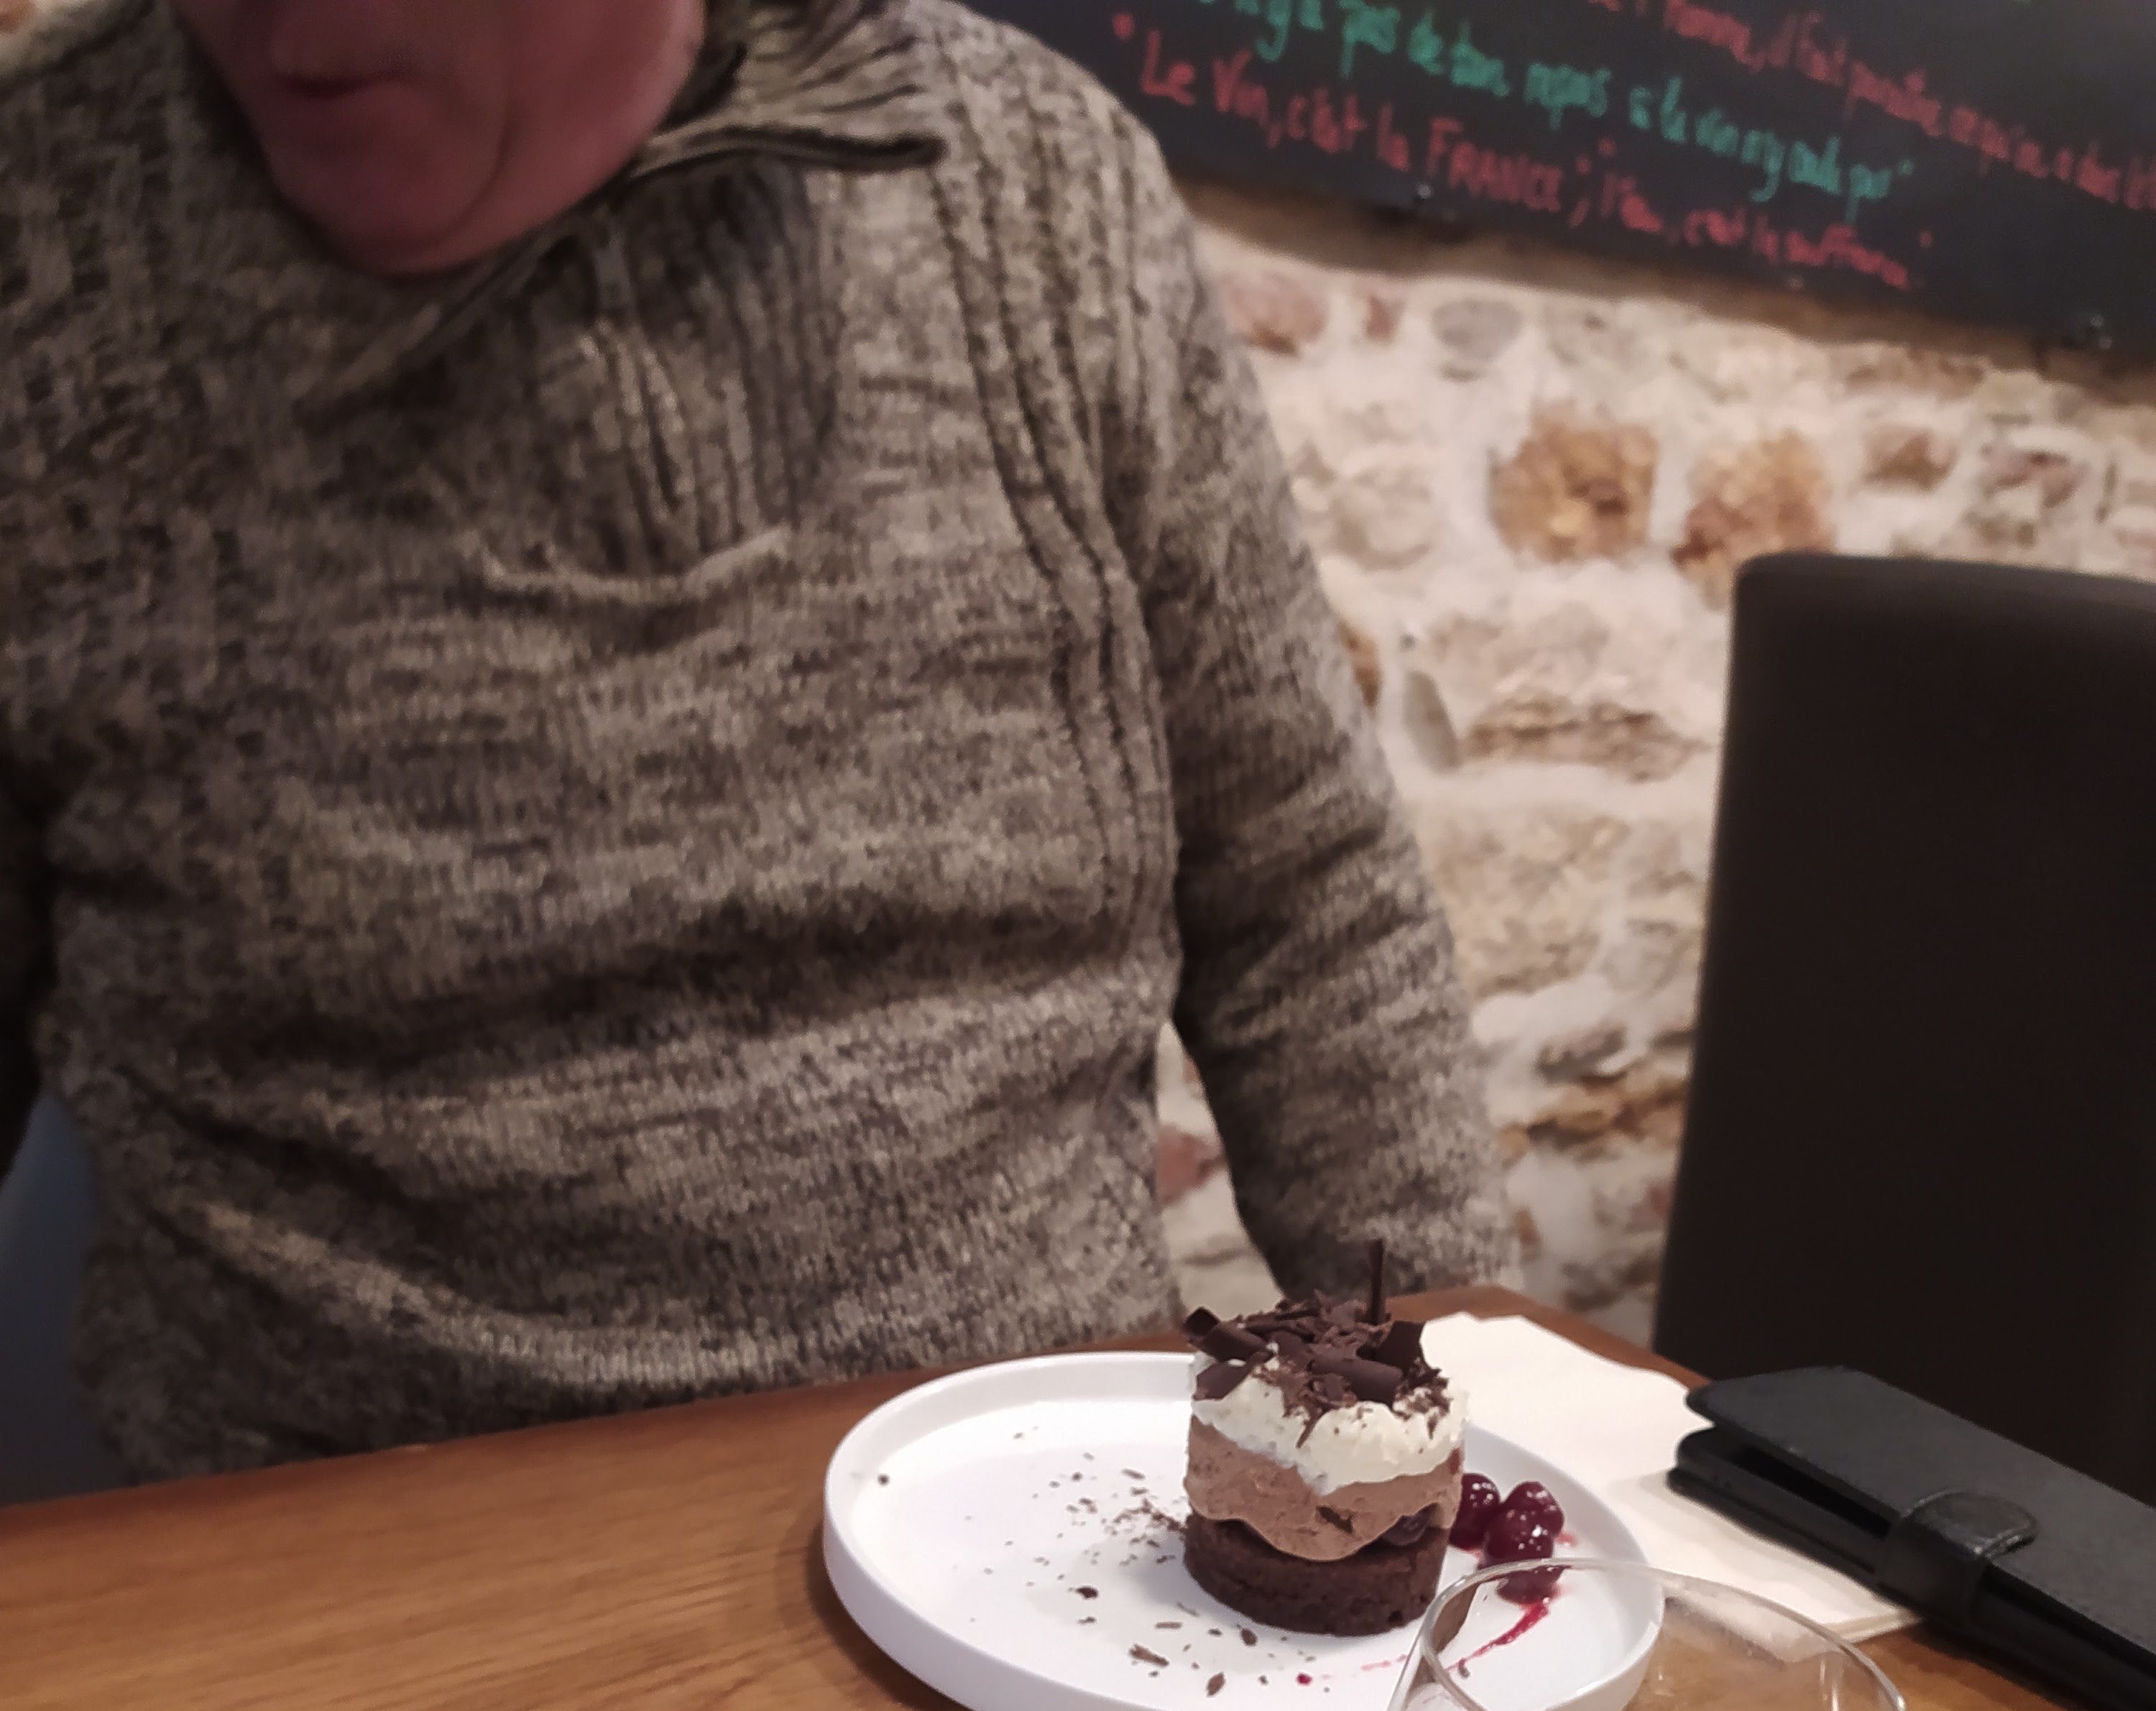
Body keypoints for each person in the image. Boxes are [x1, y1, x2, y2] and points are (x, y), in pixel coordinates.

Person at [0, 0, 1514, 1482]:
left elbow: (1307, 898)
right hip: (324, 1530)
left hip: (1035, 1499)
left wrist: (1453, 1454)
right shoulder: (42, 227)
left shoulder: (1041, 188)